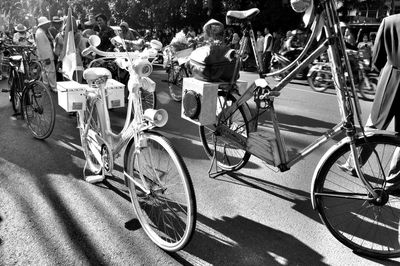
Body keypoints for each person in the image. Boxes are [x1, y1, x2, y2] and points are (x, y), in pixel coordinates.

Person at [339, 14, 400, 192]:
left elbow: (377, 59)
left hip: (391, 79)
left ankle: (354, 163)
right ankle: (394, 180)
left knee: (374, 124)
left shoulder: (390, 21)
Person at [35, 17, 56, 92]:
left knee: (45, 71)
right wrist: (46, 58)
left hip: (46, 55)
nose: (48, 25)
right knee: (50, 71)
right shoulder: (40, 33)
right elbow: (42, 47)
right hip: (46, 56)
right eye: (46, 24)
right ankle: (53, 86)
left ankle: (46, 85)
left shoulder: (43, 31)